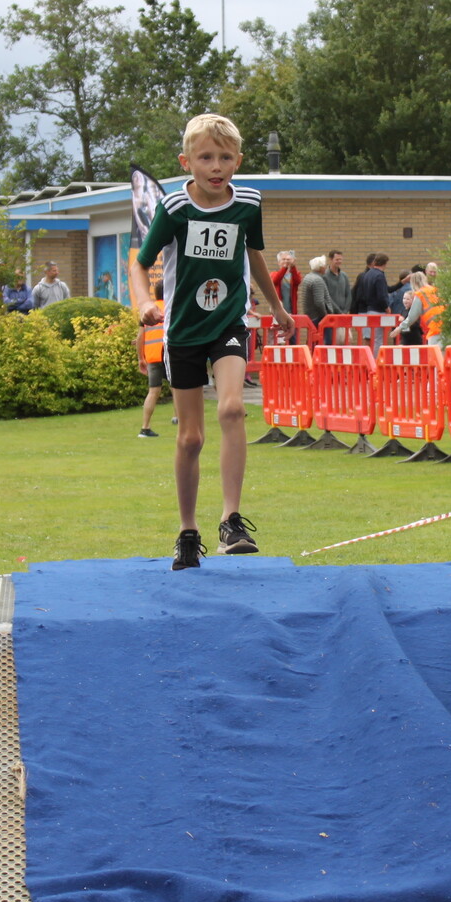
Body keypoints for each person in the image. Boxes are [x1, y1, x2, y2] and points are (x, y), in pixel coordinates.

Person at [128, 112, 293, 569]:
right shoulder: (176, 209)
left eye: (224, 157)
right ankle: (187, 531)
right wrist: (144, 303)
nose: (216, 166)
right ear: (187, 162)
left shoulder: (248, 204)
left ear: (237, 161)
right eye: (206, 157)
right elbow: (139, 264)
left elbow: (253, 254)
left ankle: (231, 520)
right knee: (190, 438)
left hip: (229, 321)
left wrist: (276, 307)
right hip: (182, 330)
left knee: (233, 408)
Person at [136, 298, 167, 438]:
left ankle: (145, 427)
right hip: (169, 353)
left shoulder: (148, 310)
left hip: (152, 355)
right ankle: (180, 420)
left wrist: (140, 358)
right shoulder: (170, 306)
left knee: (153, 391)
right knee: (179, 387)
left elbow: (140, 337)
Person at [299, 254, 333, 338]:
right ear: (321, 268)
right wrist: (325, 316)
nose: (326, 267)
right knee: (323, 342)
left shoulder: (308, 277)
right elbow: (319, 302)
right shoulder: (317, 280)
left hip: (310, 316)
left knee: (312, 340)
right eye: (324, 265)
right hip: (318, 317)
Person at [270, 250, 299, 316]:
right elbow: (275, 280)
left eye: (288, 259)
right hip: (278, 309)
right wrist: (285, 267)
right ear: (279, 262)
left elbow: (298, 281)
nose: (286, 261)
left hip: (291, 309)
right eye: (283, 259)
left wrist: (293, 267)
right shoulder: (274, 274)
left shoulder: (294, 274)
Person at [322, 250, 350, 314]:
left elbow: (348, 295)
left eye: (340, 259)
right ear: (331, 259)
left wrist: (345, 310)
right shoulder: (325, 276)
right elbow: (326, 296)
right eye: (337, 259)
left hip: (344, 313)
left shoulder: (344, 276)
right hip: (331, 313)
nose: (339, 261)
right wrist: (338, 311)